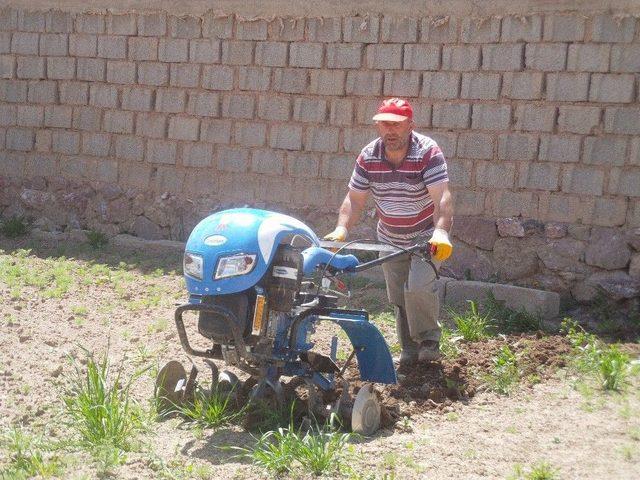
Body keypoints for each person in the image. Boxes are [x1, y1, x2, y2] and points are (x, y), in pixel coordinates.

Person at [324, 98, 454, 364]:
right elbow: (354, 200)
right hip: (390, 237)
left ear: (410, 125)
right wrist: (341, 229)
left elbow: (442, 198)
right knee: (397, 295)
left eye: (396, 124)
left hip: (425, 237)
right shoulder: (369, 156)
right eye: (384, 123)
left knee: (417, 287)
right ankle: (408, 350)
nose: (389, 130)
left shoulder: (427, 152)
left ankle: (429, 340)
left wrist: (441, 232)